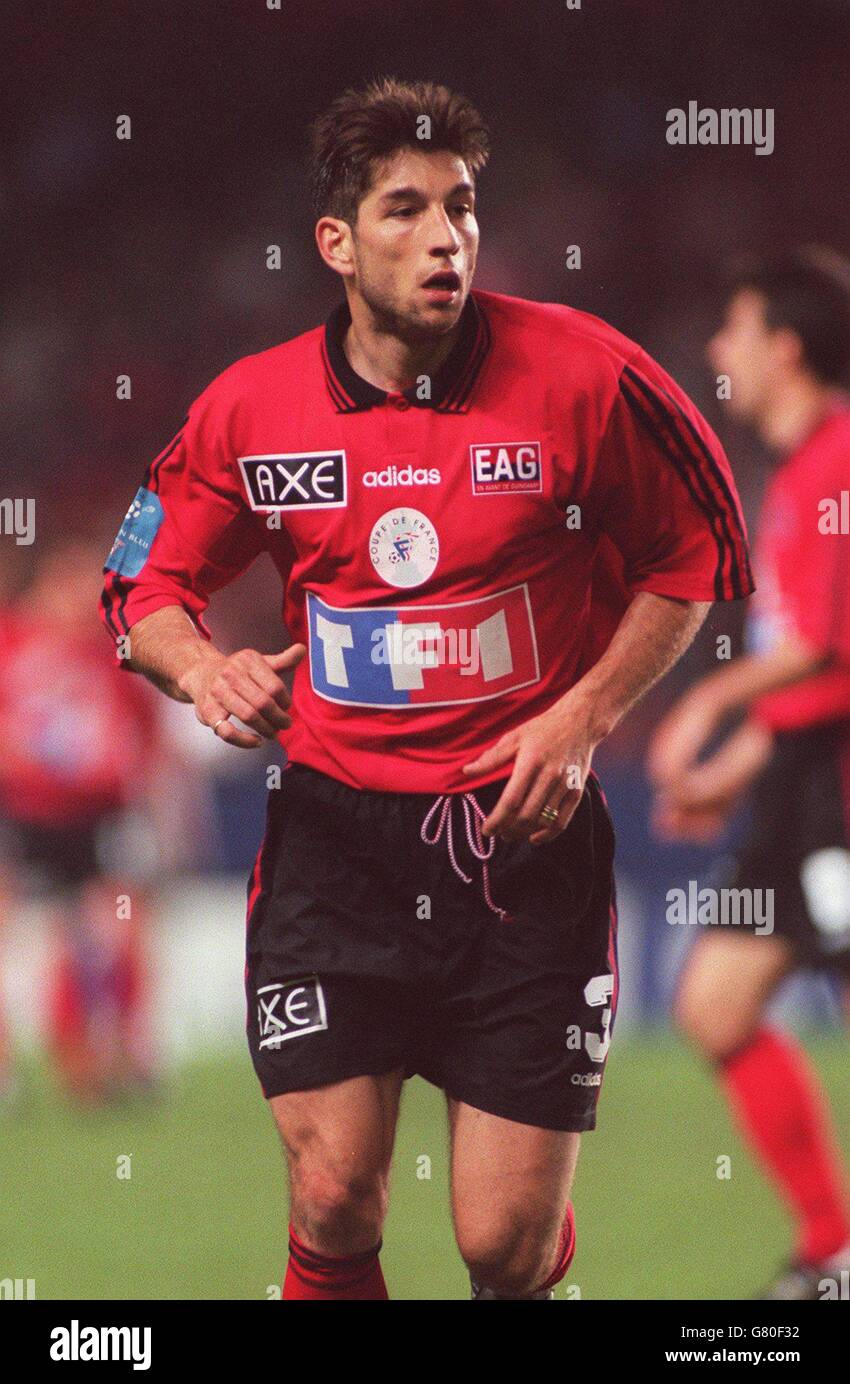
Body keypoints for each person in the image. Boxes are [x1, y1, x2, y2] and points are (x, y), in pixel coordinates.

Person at [100, 77, 752, 1300]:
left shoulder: (586, 376)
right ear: (336, 244)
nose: (445, 234)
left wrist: (582, 714)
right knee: (334, 1196)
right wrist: (203, 667)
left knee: (500, 1248)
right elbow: (137, 585)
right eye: (404, 209)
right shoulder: (252, 407)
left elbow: (697, 552)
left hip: (524, 846)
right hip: (335, 845)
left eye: (461, 205)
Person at [649, 248, 850, 1299]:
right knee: (716, 1005)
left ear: (785, 345)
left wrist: (708, 701)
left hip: (841, 795)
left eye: (734, 330)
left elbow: (820, 647)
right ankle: (832, 1246)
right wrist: (739, 767)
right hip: (797, 779)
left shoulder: (842, 461)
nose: (717, 352)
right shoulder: (795, 472)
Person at [1, 540, 159, 1103]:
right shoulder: (11, 642)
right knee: (17, 933)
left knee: (109, 928)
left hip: (97, 814)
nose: (84, 601)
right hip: (22, 810)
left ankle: (115, 1053)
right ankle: (9, 1065)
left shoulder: (105, 653)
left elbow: (141, 731)